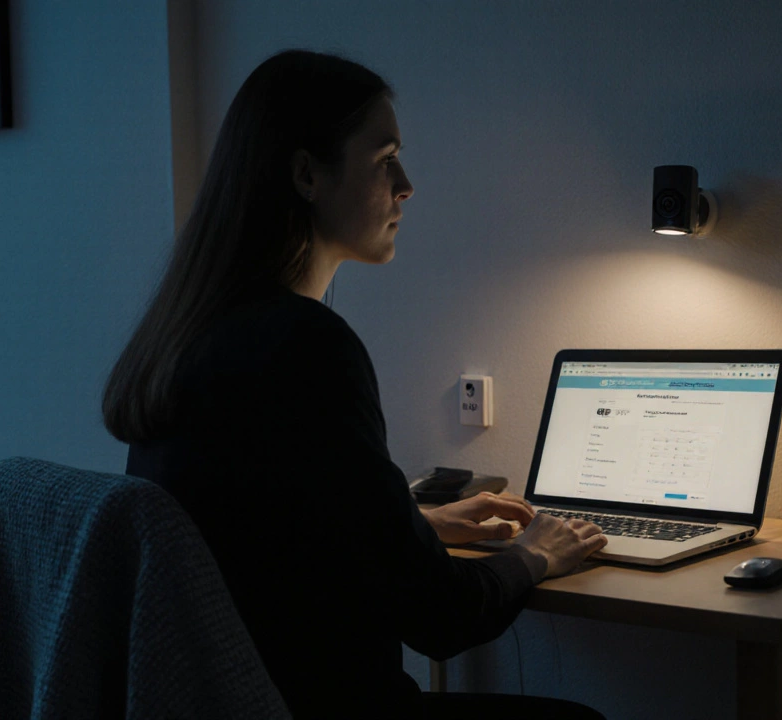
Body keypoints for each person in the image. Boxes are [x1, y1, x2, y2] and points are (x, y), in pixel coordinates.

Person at [103, 49, 608, 720]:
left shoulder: (189, 333)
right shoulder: (305, 345)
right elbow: (440, 618)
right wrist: (535, 555)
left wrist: (409, 523)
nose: (407, 185)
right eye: (384, 158)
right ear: (308, 174)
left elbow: (265, 537)